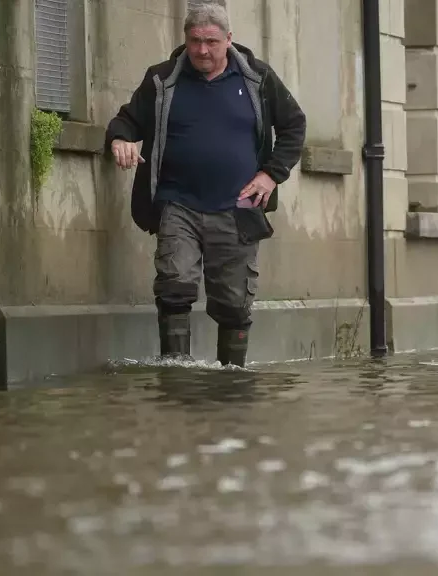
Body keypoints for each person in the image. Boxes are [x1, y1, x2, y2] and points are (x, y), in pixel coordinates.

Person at [104, 3, 306, 367]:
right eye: (195, 40)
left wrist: (271, 174)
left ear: (229, 39)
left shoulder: (258, 79)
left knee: (233, 303)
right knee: (174, 284)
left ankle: (231, 381)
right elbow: (127, 119)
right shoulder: (162, 79)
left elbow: (294, 125)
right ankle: (176, 373)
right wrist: (120, 139)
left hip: (240, 206)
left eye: (211, 41)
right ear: (185, 39)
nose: (202, 50)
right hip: (177, 202)